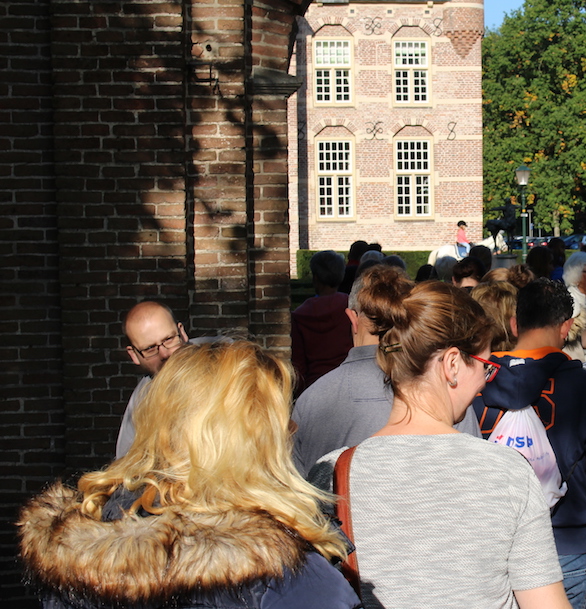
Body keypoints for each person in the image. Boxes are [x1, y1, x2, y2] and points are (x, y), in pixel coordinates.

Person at [18, 341, 361, 609]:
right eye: (280, 418)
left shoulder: (78, 552)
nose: (292, 428)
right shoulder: (288, 579)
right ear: (249, 443)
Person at [329, 280, 570, 609]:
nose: (484, 382)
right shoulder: (508, 473)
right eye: (485, 366)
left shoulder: (331, 474)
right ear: (453, 364)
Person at [473, 279, 586, 609]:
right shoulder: (583, 385)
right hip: (565, 549)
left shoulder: (477, 383)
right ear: (567, 327)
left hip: (491, 550)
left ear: (514, 324)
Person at [291, 264, 482, 475]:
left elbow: (295, 483)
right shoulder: (446, 391)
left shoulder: (312, 400)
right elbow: (476, 468)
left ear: (352, 319)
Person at [115, 301, 189, 458]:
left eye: (169, 339)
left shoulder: (225, 362)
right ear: (134, 355)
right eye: (150, 348)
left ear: (182, 332)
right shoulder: (140, 407)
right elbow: (129, 466)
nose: (165, 354)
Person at [292, 250, 352, 394]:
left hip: (314, 386)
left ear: (315, 277)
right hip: (348, 382)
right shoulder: (351, 308)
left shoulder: (300, 315)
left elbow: (298, 363)